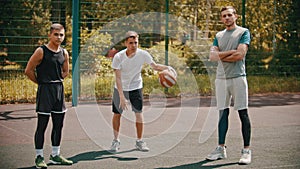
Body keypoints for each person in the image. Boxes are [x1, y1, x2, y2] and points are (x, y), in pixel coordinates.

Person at [110, 31, 172, 152]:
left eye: (136, 43)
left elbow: (154, 66)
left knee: (138, 113)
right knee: (117, 114)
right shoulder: (119, 57)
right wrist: (121, 97)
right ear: (125, 43)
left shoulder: (143, 54)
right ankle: (115, 141)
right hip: (120, 88)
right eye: (131, 43)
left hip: (136, 87)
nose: (134, 45)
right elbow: (118, 77)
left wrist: (167, 68)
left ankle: (139, 141)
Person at [206, 6, 252, 164]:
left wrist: (219, 55)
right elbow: (212, 57)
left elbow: (240, 55)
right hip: (221, 79)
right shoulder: (218, 35)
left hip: (238, 78)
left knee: (242, 113)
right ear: (221, 19)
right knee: (222, 113)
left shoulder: (243, 32)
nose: (227, 18)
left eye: (229, 15)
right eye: (224, 16)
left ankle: (246, 150)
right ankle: (221, 148)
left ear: (235, 16)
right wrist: (227, 53)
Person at [25, 23, 73, 168]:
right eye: (56, 34)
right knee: (42, 125)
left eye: (61, 35)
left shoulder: (64, 53)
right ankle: (39, 157)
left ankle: (55, 155)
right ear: (50, 35)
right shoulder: (41, 51)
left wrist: (56, 81)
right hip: (45, 91)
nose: (59, 37)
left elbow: (65, 72)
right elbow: (28, 70)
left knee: (58, 125)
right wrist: (41, 83)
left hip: (58, 91)